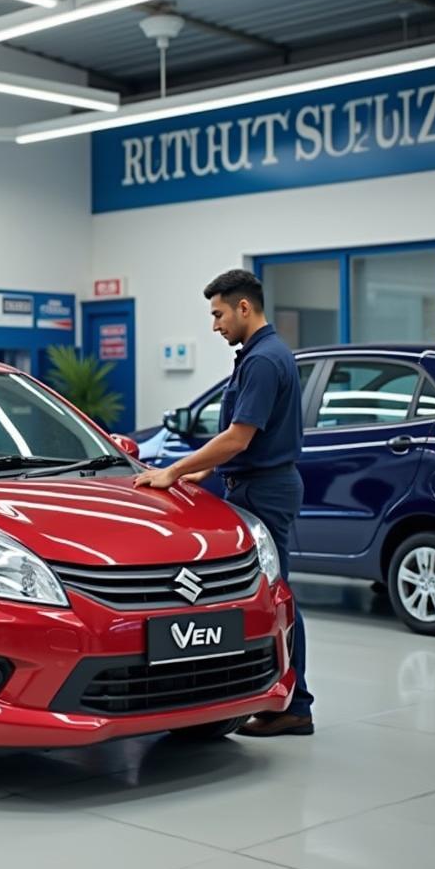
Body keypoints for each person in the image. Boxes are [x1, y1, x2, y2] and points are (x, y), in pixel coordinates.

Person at [133, 268, 314, 737]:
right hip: (260, 481)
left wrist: (173, 470)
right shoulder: (262, 355)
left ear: (243, 308)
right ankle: (277, 697)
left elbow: (238, 435)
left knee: (276, 596)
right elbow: (246, 437)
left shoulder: (262, 361)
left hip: (264, 489)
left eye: (218, 314)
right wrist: (207, 469)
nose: (215, 325)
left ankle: (295, 706)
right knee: (270, 594)